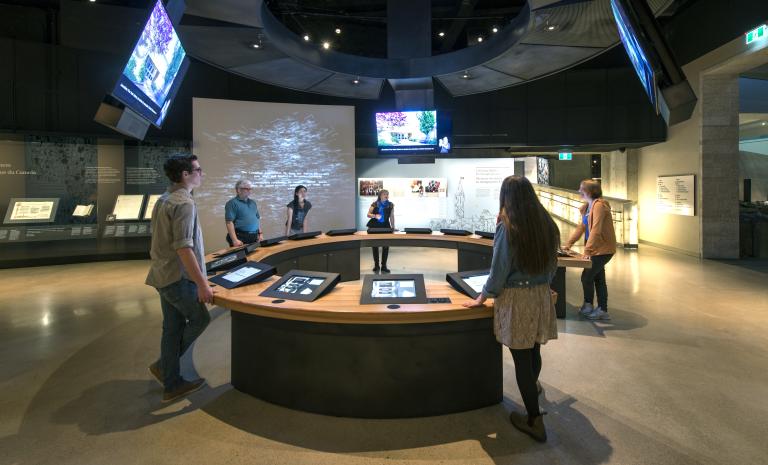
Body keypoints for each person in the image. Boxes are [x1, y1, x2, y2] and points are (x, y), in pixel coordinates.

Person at [463, 175, 560, 443]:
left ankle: (534, 420)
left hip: (517, 299)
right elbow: (553, 263)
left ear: (506, 196)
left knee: (521, 361)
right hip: (540, 295)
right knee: (534, 350)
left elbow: (499, 270)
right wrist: (544, 285)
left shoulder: (508, 226)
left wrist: (482, 297)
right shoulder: (547, 224)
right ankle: (534, 397)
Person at [145, 154, 213, 403]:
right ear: (185, 174)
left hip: (162, 275)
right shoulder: (184, 203)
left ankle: (170, 378)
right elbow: (184, 248)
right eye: (198, 169)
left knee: (172, 329)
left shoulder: (164, 199)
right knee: (200, 319)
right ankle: (166, 368)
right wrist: (202, 284)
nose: (201, 173)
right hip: (177, 278)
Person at [563, 179, 617, 321]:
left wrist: (587, 251)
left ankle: (591, 306)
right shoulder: (588, 206)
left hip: (603, 249)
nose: (579, 190)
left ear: (590, 191)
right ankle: (601, 309)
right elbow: (582, 227)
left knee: (587, 276)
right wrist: (568, 244)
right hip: (596, 249)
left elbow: (596, 230)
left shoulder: (599, 206)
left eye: (582, 188)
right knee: (598, 277)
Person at [224, 180, 263, 247]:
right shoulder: (232, 203)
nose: (250, 191)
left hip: (254, 237)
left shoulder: (253, 202)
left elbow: (257, 219)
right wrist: (234, 240)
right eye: (247, 189)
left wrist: (260, 234)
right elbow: (229, 222)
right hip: (240, 238)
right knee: (243, 257)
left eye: (250, 189)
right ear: (239, 190)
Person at [366, 189, 395, 273]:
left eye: (387, 194)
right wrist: (375, 215)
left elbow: (392, 217)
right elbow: (368, 214)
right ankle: (376, 265)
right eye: (385, 194)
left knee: (386, 246)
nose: (386, 195)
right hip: (374, 227)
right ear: (380, 195)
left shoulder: (391, 205)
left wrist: (393, 227)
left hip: (385, 226)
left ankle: (384, 266)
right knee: (375, 246)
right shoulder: (375, 204)